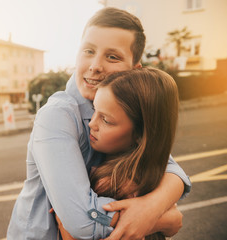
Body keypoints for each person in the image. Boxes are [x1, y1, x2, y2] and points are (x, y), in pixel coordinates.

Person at [7, 7, 191, 240]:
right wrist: (162, 220)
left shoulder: (126, 107)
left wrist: (151, 207)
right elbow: (82, 222)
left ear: (134, 70)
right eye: (88, 50)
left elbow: (169, 167)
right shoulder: (57, 115)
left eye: (112, 56)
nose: (95, 65)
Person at [55, 67, 183, 240]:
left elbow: (81, 231)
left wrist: (62, 217)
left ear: (140, 134)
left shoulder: (113, 183)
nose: (91, 124)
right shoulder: (153, 174)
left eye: (106, 120)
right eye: (94, 110)